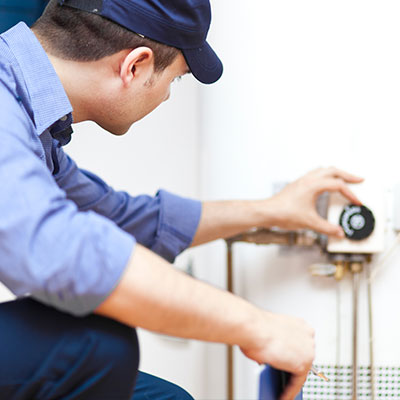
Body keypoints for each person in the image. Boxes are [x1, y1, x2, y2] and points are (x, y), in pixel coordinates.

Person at [0, 1, 363, 399]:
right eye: (175, 79)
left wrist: (271, 211)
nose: (168, 96)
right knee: (97, 344)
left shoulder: (34, 123)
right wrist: (256, 325)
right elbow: (61, 249)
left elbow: (119, 220)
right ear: (135, 66)